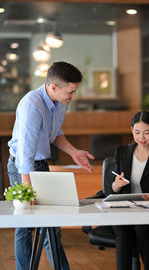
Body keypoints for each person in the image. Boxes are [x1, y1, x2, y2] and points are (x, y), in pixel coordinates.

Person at [7, 61, 95, 270]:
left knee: (51, 225)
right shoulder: (32, 105)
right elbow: (25, 153)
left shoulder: (61, 103)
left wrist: (74, 152)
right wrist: (27, 186)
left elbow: (54, 135)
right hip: (23, 167)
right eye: (71, 92)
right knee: (25, 226)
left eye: (75, 91)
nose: (73, 96)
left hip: (39, 165)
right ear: (53, 87)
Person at [106, 110, 149, 270]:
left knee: (142, 228)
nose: (141, 138)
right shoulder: (122, 152)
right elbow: (112, 188)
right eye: (137, 132)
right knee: (123, 236)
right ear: (131, 130)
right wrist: (117, 185)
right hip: (124, 211)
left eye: (147, 132)